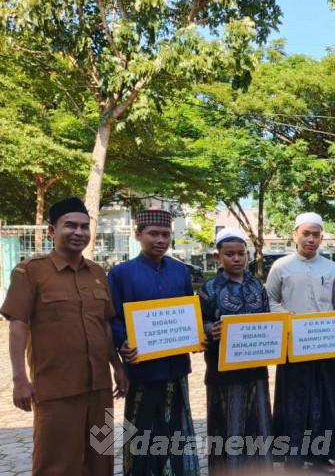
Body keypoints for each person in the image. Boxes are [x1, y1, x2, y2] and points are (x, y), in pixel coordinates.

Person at [1, 197, 127, 476]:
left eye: (84, 226)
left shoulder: (96, 273)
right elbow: (18, 324)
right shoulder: (31, 272)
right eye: (70, 225)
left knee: (101, 459)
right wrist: (20, 379)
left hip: (99, 387)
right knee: (56, 463)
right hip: (56, 387)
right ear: (51, 231)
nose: (79, 232)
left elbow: (104, 325)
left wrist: (118, 367)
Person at [109, 208, 201, 476]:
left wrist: (195, 335)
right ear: (138, 235)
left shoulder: (180, 271)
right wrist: (123, 341)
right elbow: (112, 317)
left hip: (175, 367)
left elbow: (188, 312)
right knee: (141, 428)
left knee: (175, 428)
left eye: (165, 234)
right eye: (153, 234)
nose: (160, 240)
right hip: (142, 369)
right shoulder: (121, 273)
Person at [265, 212, 335, 471]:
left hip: (325, 346)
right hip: (293, 347)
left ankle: (322, 456)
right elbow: (270, 301)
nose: (311, 239)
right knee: (293, 401)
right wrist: (288, 318)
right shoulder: (281, 266)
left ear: (321, 237)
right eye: (306, 233)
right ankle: (292, 459)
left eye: (316, 234)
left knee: (325, 401)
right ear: (295, 235)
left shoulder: (332, 267)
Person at [200, 227, 273, 475]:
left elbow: (267, 319)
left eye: (241, 253)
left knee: (259, 423)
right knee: (227, 426)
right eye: (230, 254)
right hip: (224, 371)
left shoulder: (257, 286)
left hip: (256, 369)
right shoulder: (209, 288)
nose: (237, 258)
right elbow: (198, 322)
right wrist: (211, 329)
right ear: (217, 257)